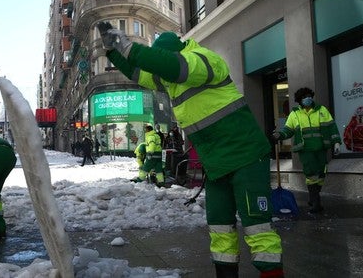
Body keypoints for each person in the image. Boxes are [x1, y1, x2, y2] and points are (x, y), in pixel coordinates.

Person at [97, 21, 283, 278]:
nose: (160, 78)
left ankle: (272, 273)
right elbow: (139, 73)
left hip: (246, 156)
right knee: (219, 229)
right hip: (215, 163)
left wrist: (129, 46)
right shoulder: (171, 80)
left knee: (258, 227)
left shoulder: (202, 60)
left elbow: (172, 67)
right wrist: (113, 52)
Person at [271, 87, 341, 214]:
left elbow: (331, 126)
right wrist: (279, 135)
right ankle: (315, 202)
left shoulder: (321, 110)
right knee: (310, 174)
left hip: (321, 148)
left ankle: (314, 197)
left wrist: (336, 142)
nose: (307, 99)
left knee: (321, 174)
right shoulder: (295, 114)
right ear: (299, 100)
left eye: (309, 96)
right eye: (304, 97)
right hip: (305, 150)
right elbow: (288, 130)